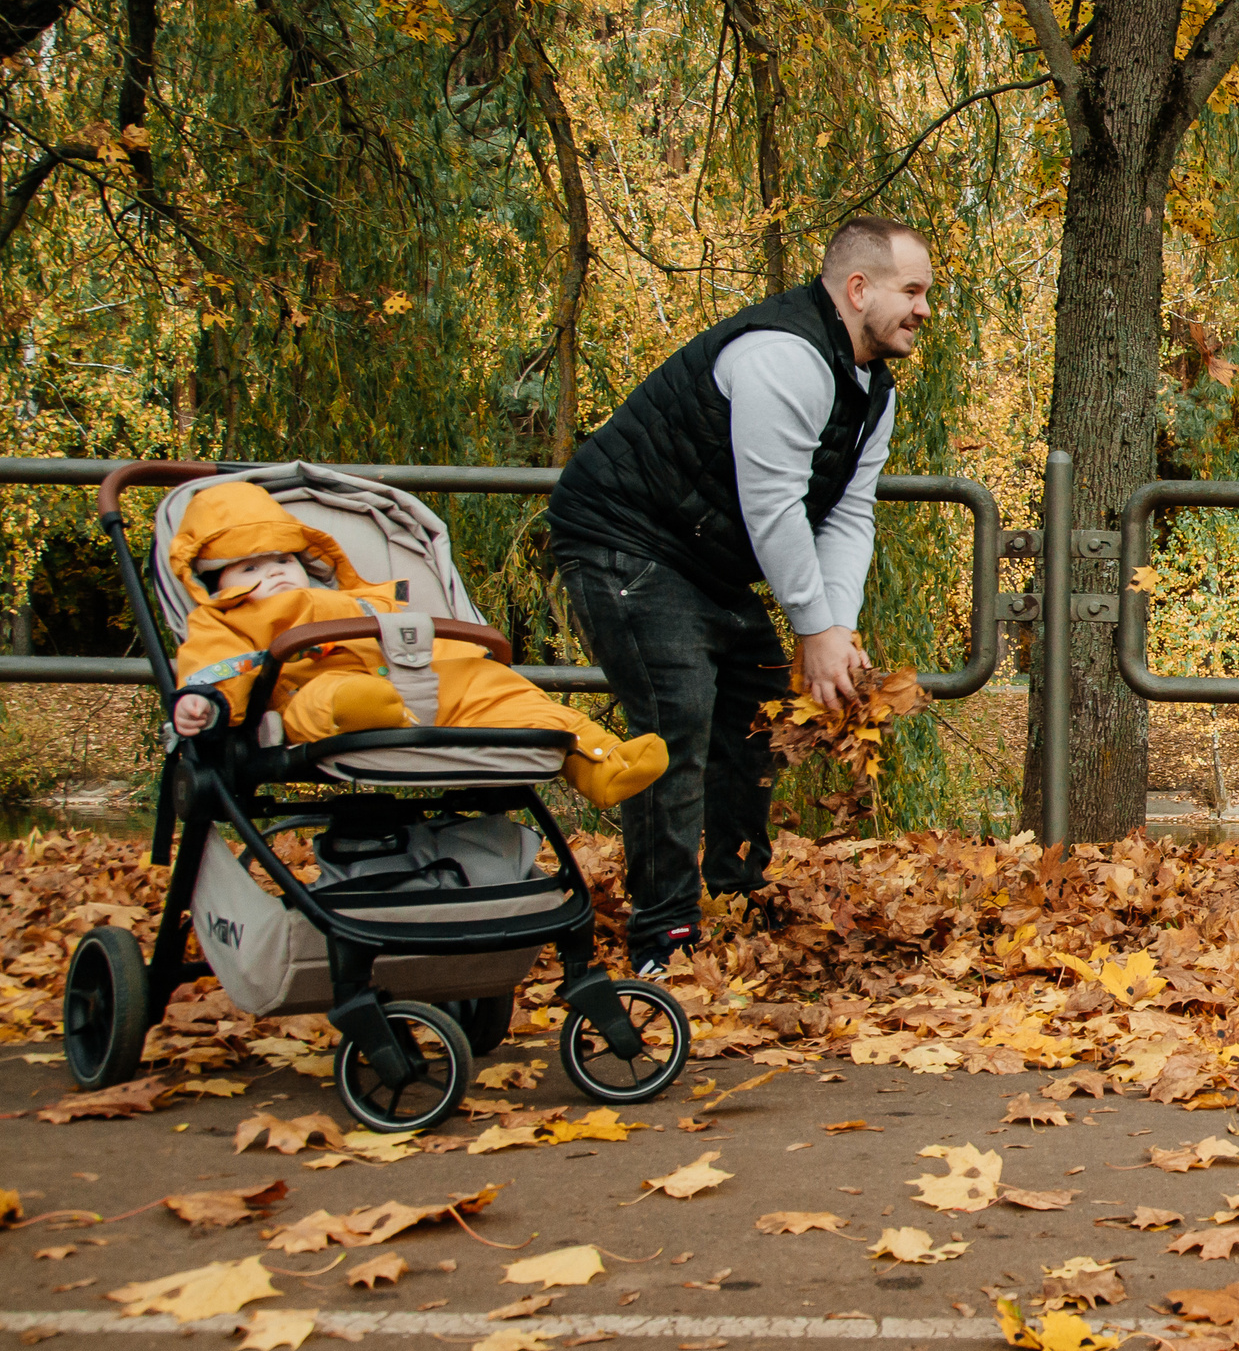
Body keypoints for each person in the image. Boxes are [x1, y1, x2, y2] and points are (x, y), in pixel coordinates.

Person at [547, 216, 930, 978]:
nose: (924, 309)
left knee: (755, 717)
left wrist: (837, 625)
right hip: (625, 539)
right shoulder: (782, 357)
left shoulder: (872, 392)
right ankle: (664, 938)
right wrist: (812, 627)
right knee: (674, 728)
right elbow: (775, 508)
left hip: (707, 557)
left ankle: (738, 897)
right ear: (858, 289)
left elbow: (847, 513)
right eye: (912, 290)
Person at [168, 483, 668, 806]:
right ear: (215, 583)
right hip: (311, 691)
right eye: (250, 568)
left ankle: (599, 760)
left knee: (500, 687)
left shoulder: (359, 598)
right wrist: (203, 702)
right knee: (330, 699)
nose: (275, 573)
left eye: (284, 560)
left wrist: (462, 659)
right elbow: (211, 665)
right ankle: (363, 709)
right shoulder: (224, 619)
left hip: (414, 680)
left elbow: (420, 638)